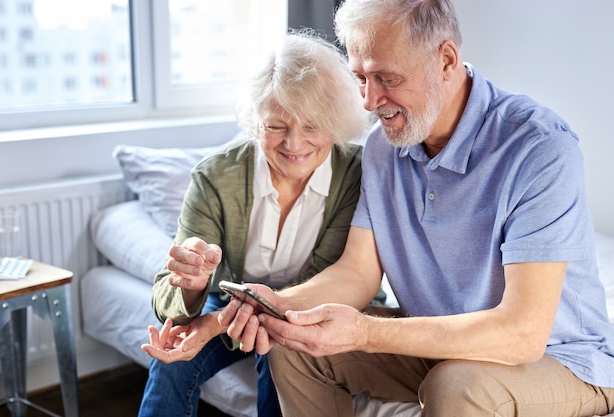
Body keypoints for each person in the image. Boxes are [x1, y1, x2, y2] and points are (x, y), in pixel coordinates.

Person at [219, 1, 614, 416]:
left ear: (446, 60)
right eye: (361, 78)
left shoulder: (538, 146)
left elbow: (522, 334)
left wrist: (366, 333)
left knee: (457, 385)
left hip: (558, 360)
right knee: (295, 350)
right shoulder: (382, 148)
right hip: (438, 345)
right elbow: (357, 272)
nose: (370, 101)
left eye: (387, 78)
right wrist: (282, 305)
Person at [136, 30, 371, 417]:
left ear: (336, 122)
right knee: (172, 354)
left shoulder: (356, 175)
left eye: (312, 126)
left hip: (312, 304)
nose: (294, 144)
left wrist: (215, 325)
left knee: (279, 348)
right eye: (277, 125)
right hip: (229, 300)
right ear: (256, 119)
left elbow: (336, 280)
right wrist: (192, 286)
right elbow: (166, 297)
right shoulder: (215, 176)